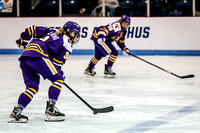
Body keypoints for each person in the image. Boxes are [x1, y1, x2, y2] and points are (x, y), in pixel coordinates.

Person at [8, 21, 81, 123]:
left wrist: (22, 40)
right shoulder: (67, 43)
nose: (76, 36)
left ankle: (16, 112)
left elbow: (32, 29)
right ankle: (51, 110)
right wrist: (59, 74)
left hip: (26, 56)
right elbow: (57, 64)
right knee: (58, 79)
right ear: (69, 31)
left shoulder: (51, 31)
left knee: (32, 87)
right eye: (75, 33)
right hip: (39, 55)